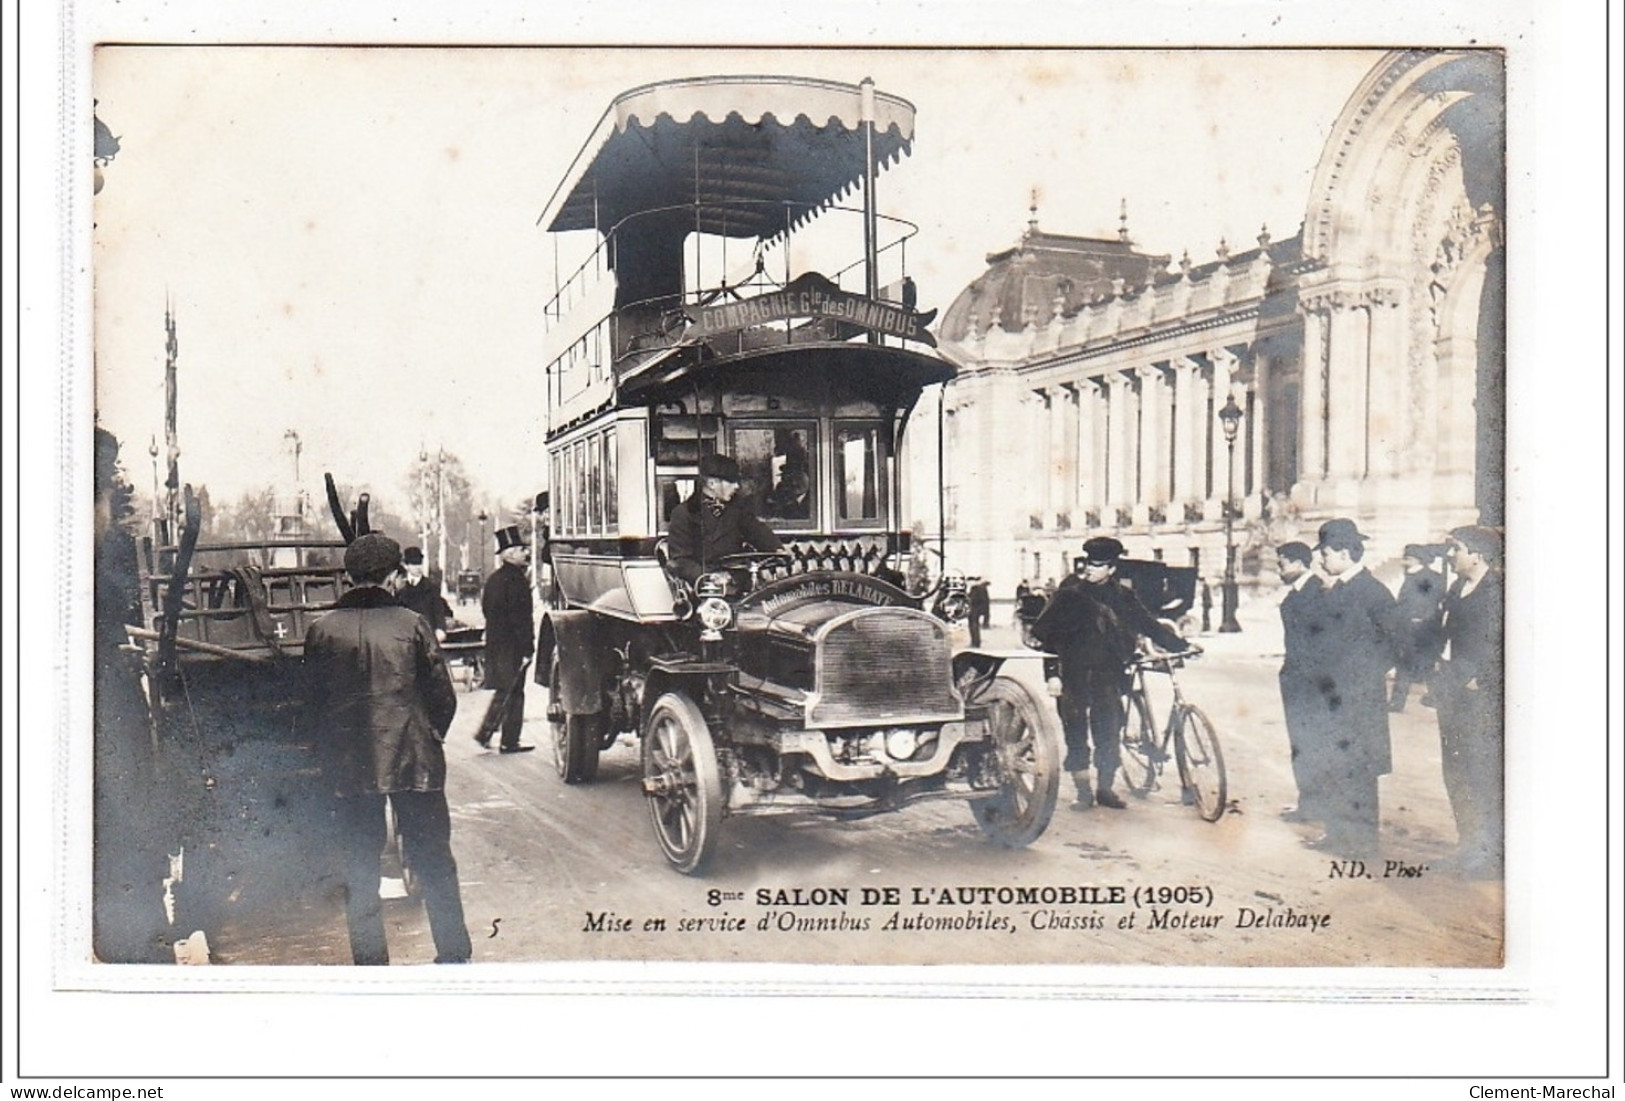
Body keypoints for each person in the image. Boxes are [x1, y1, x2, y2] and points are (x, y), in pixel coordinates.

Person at [302, 533, 472, 965]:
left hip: (349, 765)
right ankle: (453, 954)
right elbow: (443, 697)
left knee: (360, 867)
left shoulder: (321, 631)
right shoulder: (412, 624)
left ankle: (371, 964)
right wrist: (429, 736)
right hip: (415, 761)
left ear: (348, 576)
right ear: (395, 576)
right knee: (434, 858)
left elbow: (312, 704)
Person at [1031, 536, 1192, 811]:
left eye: (1097, 565)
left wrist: (1182, 645)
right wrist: (1052, 675)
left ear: (1112, 569)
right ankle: (1083, 792)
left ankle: (1105, 789)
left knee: (1108, 732)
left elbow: (1148, 625)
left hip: (1109, 675)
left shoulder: (1123, 596)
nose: (1089, 569)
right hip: (1072, 675)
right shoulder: (1069, 594)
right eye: (1087, 564)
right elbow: (1047, 636)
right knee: (1076, 731)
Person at [1308, 518, 1401, 858]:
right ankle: (1336, 834)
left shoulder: (1373, 592)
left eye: (1326, 552)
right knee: (1333, 764)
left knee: (1359, 769)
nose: (1321, 559)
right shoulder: (1335, 588)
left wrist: (1365, 675)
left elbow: (1397, 642)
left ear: (1346, 552)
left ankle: (1361, 843)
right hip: (1332, 697)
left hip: (1360, 698)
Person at [1434, 525, 1504, 879]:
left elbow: (1507, 645)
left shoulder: (1498, 593)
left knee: (1482, 771)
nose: (1450, 555)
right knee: (1455, 770)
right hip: (1451, 691)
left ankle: (1490, 852)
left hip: (1480, 699)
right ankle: (1467, 844)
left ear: (1477, 554)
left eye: (1455, 548)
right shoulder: (1457, 588)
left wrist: (1485, 679)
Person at [1274, 541, 1329, 824]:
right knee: (1301, 743)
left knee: (1312, 743)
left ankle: (1315, 805)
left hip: (1310, 683)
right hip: (1297, 679)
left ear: (1298, 563)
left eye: (1282, 563)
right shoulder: (1300, 592)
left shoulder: (1317, 591)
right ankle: (1308, 804)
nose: (1278, 569)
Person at [666, 452, 783, 584]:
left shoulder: (738, 509)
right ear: (712, 483)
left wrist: (777, 549)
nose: (737, 486)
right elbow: (681, 560)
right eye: (731, 481)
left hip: (737, 581)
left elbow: (757, 531)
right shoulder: (684, 513)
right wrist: (709, 577)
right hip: (704, 589)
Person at [478, 525, 535, 753]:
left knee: (504, 689)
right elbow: (521, 618)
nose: (525, 553)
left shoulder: (494, 579)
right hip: (513, 646)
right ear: (509, 554)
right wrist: (527, 647)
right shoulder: (517, 581)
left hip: (496, 644)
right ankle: (508, 740)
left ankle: (487, 733)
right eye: (521, 549)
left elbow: (486, 610)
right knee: (514, 691)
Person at [1389, 544, 1445, 711]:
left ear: (1414, 560)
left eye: (1406, 558)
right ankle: (1437, 699)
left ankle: (1397, 703)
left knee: (1407, 665)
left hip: (1418, 627)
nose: (1403, 562)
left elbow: (1424, 602)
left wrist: (1415, 619)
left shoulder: (1418, 578)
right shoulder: (1431, 576)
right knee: (1425, 665)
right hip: (1425, 627)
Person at [397, 546, 453, 639]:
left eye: (420, 563)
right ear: (406, 566)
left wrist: (440, 629)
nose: (418, 567)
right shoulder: (399, 588)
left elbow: (438, 611)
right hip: (406, 637)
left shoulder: (431, 588)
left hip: (427, 636)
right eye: (414, 564)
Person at [966, 577, 991, 648]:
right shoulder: (980, 588)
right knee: (974, 626)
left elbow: (973, 599)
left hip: (974, 610)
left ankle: (975, 642)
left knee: (973, 627)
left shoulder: (976, 589)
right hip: (976, 610)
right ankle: (975, 642)